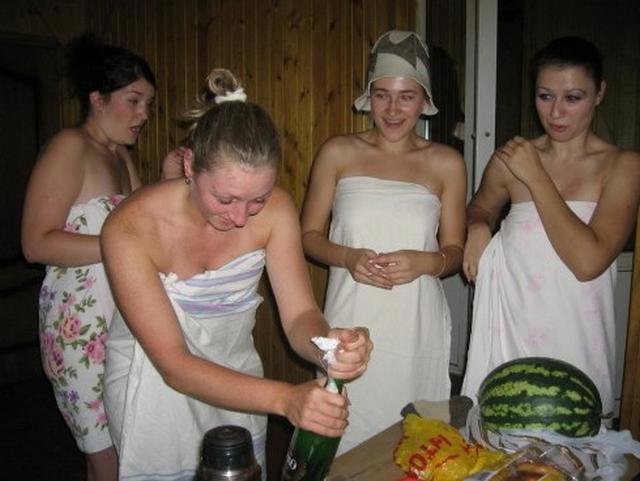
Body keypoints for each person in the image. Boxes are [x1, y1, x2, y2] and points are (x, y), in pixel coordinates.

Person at [101, 68, 373, 480]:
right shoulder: (129, 227)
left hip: (239, 380)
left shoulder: (277, 210)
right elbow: (174, 364)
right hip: (152, 383)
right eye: (225, 199)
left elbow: (300, 316)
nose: (242, 217)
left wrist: (328, 348)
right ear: (190, 164)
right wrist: (285, 399)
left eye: (257, 199)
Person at [300, 30, 467, 454]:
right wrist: (348, 257)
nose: (392, 110)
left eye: (406, 97)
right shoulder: (337, 152)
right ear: (368, 97)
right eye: (382, 96)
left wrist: (426, 262)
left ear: (424, 100)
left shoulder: (446, 162)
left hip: (415, 324)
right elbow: (309, 237)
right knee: (340, 434)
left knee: (413, 445)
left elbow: (454, 252)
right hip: (350, 316)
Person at [461, 36, 640, 417]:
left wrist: (536, 176)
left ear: (599, 93)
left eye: (573, 98)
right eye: (545, 96)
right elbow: (480, 208)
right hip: (511, 330)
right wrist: (477, 227)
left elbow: (588, 262)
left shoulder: (621, 166)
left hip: (576, 336)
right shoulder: (510, 159)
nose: (556, 112)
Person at [20, 34, 156, 481]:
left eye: (148, 104)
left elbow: (141, 229)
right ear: (97, 99)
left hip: (123, 322)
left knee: (125, 445)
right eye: (134, 101)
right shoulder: (69, 147)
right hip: (78, 328)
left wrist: (173, 181)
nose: (144, 114)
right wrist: (117, 246)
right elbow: (36, 243)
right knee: (105, 455)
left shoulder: (121, 157)